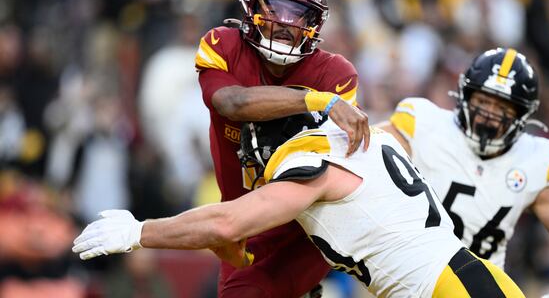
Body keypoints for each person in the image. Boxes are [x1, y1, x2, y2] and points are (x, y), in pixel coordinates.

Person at [73, 113, 525, 298]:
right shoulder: (357, 141)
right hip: (458, 279)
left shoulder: (311, 164)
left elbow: (226, 222)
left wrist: (139, 232)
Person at [193, 0, 370, 297]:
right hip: (242, 223)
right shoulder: (223, 45)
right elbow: (233, 103)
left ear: (315, 22)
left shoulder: (335, 73)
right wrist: (317, 102)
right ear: (252, 7)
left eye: (298, 14)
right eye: (275, 9)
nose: (286, 23)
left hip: (306, 230)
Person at [377, 47, 549, 298]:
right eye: (483, 102)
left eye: (502, 109)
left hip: (481, 289)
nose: (488, 116)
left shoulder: (534, 159)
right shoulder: (424, 125)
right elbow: (363, 152)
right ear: (466, 96)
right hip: (411, 278)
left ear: (522, 115)